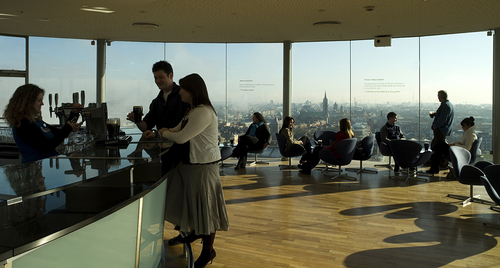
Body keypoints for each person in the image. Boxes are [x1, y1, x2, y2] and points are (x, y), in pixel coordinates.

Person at [158, 73, 229, 268]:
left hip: (203, 168)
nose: (180, 92)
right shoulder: (192, 111)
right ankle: (196, 232)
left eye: (183, 89)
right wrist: (164, 132)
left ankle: (208, 251)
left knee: (206, 210)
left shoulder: (203, 112)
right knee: (194, 204)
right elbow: (176, 130)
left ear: (193, 91)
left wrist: (165, 132)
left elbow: (180, 137)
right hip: (192, 166)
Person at [126, 61, 189, 175]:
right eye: (155, 78)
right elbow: (146, 126)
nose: (157, 81)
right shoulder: (157, 101)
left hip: (184, 152)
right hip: (165, 153)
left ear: (171, 75)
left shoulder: (183, 95)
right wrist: (137, 120)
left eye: (161, 77)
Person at [3, 84, 82, 164]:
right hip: (32, 169)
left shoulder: (36, 121)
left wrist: (73, 114)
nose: (42, 103)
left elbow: (59, 133)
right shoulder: (22, 124)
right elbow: (45, 147)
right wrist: (68, 128)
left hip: (41, 168)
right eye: (39, 100)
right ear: (28, 102)